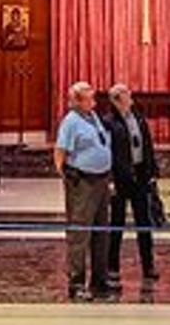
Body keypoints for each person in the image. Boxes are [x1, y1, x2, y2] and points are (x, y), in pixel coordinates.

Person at [52, 81, 115, 299]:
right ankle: (76, 282)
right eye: (90, 98)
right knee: (80, 232)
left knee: (101, 231)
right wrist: (68, 176)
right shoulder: (71, 122)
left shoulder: (92, 116)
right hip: (83, 183)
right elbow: (60, 153)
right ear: (77, 101)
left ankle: (99, 278)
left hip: (101, 181)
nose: (94, 102)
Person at [103, 83, 159, 286]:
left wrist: (152, 172)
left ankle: (148, 265)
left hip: (140, 177)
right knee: (116, 224)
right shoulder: (108, 122)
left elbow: (147, 146)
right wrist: (109, 179)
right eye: (127, 94)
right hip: (120, 179)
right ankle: (112, 267)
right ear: (117, 99)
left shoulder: (138, 117)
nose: (131, 96)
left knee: (144, 223)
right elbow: (106, 152)